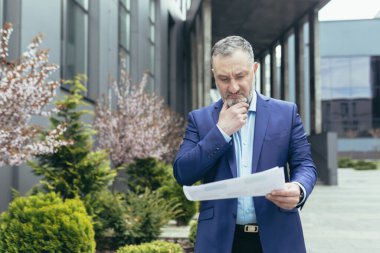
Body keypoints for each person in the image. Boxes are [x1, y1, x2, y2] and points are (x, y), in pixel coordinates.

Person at [173, 35, 317, 253]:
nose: (233, 87)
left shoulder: (286, 113)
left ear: (255, 69)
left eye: (240, 76)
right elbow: (183, 173)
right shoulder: (199, 120)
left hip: (278, 238)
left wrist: (299, 188)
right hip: (220, 241)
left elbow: (305, 164)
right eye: (223, 79)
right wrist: (221, 132)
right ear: (214, 75)